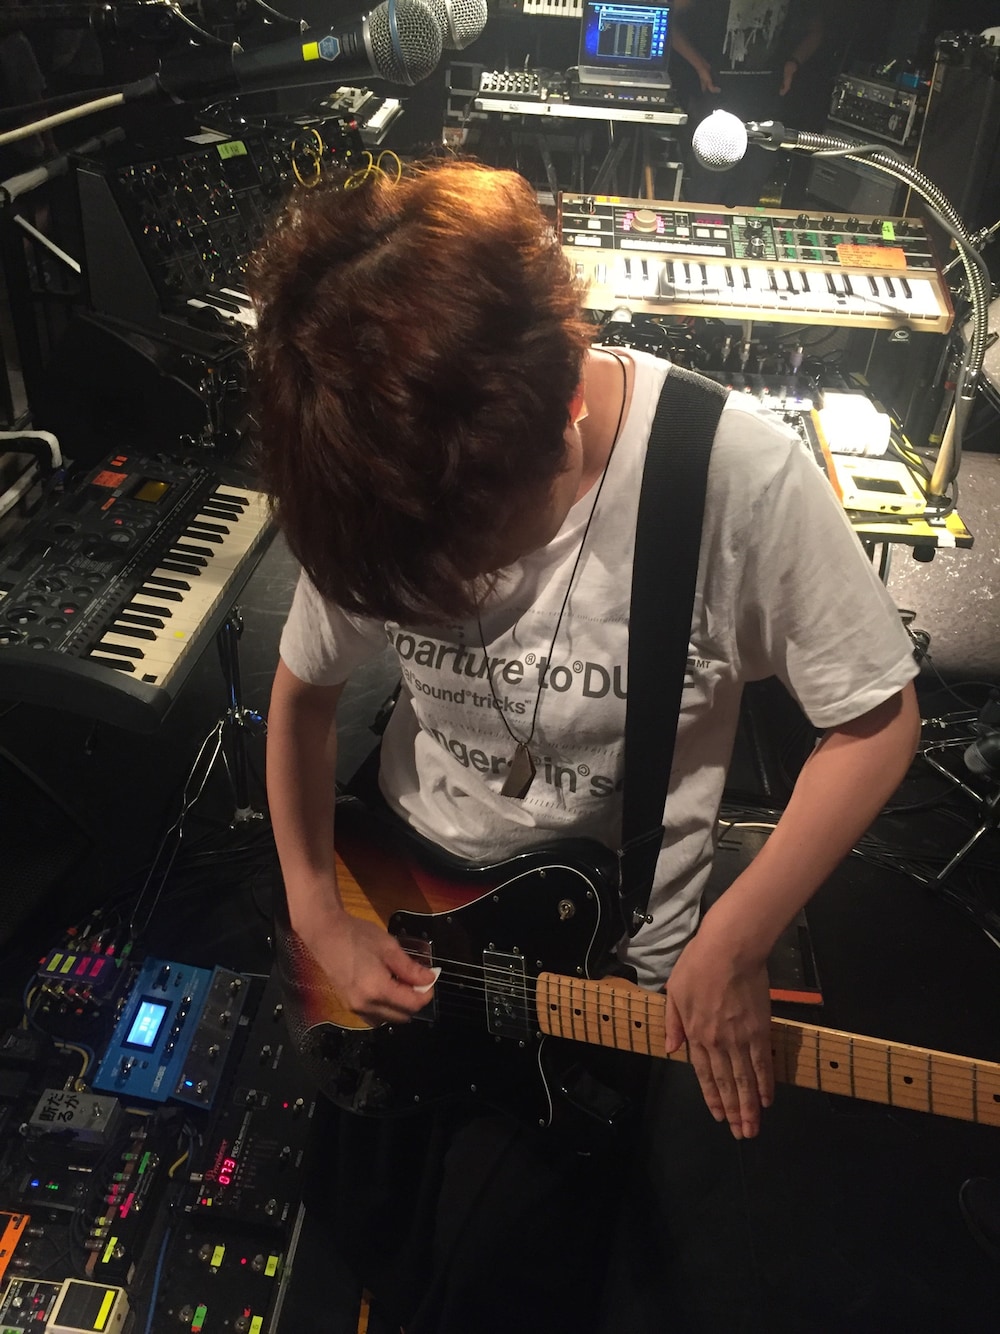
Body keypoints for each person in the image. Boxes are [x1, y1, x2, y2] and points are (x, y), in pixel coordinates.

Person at [249, 157, 920, 1329]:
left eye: (473, 550)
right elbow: (304, 695)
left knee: (524, 1276)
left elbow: (873, 718)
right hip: (398, 895)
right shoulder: (381, 474)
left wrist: (735, 932)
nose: (449, 586)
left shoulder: (733, 480)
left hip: (610, 964)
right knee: (368, 1222)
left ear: (563, 404)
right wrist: (316, 906)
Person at [670, 0, 827, 206]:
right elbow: (666, 16)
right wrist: (699, 64)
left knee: (749, 190)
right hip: (713, 107)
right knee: (707, 190)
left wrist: (793, 63)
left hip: (766, 108)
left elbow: (817, 31)